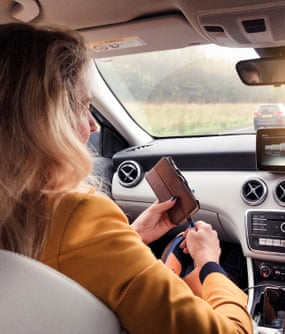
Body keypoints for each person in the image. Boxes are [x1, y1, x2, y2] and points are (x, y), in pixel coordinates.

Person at [0, 23, 252, 334]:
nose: (93, 126)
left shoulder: (34, 217)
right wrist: (209, 264)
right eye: (84, 107)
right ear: (49, 120)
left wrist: (130, 236)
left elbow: (59, 264)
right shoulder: (75, 216)